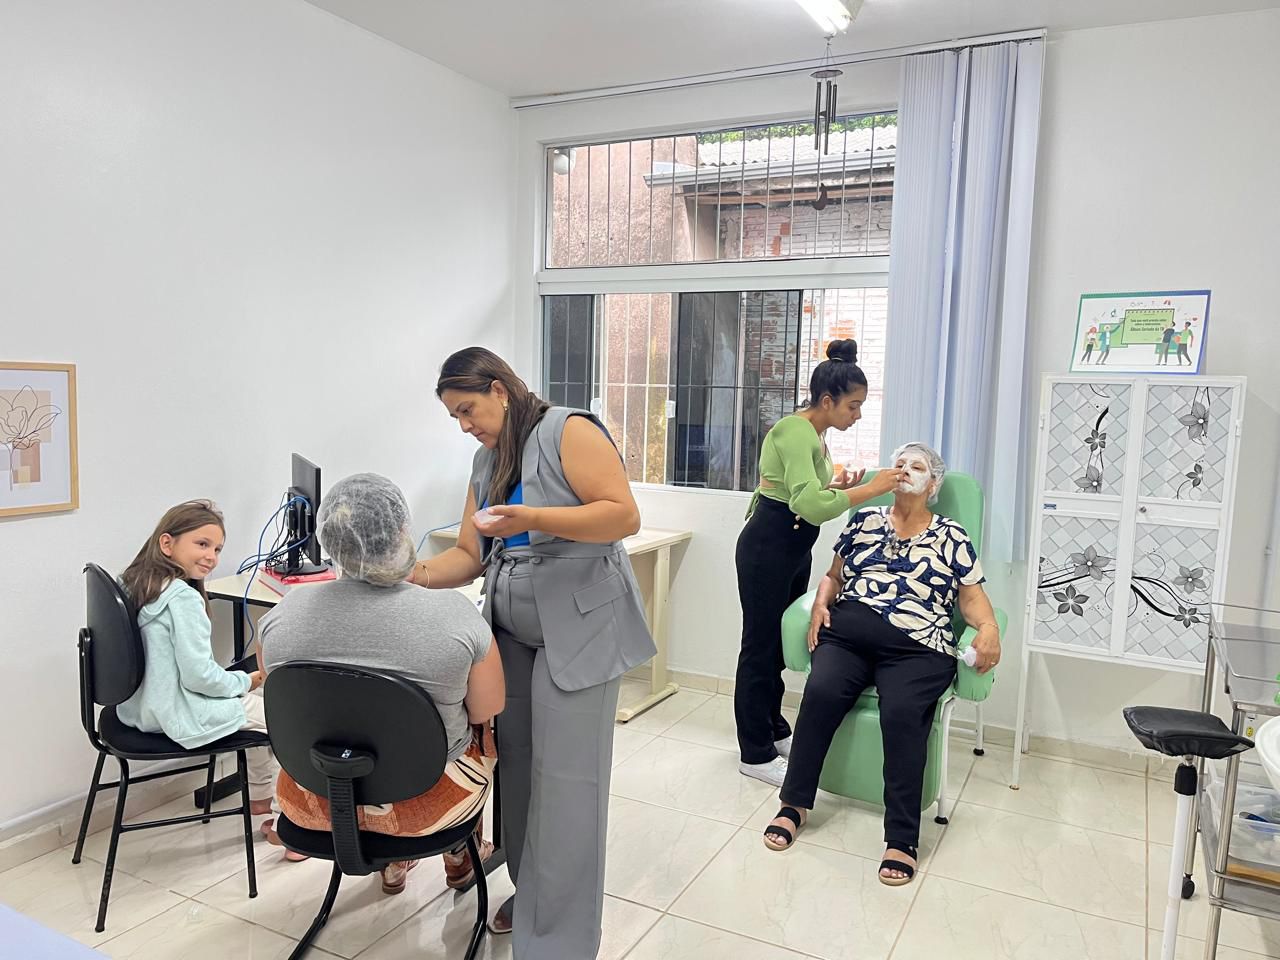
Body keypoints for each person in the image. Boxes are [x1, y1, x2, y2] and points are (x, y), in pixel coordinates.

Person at [412, 347, 651, 959]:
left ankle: (561, 938)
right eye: (455, 416)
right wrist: (407, 575)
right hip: (510, 631)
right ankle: (533, 892)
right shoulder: (485, 459)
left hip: (581, 627)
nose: (465, 425)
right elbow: (468, 555)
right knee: (516, 767)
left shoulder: (568, 430)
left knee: (568, 780)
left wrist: (533, 516)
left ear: (499, 389)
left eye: (468, 409)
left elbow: (622, 516)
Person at [761, 442, 1001, 888]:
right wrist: (820, 601)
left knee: (903, 714)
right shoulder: (864, 520)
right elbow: (834, 575)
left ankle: (902, 837)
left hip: (919, 647)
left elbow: (972, 599)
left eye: (917, 466)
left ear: (933, 485)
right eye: (899, 463)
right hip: (848, 637)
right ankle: (794, 803)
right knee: (821, 692)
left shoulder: (951, 535)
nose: (905, 469)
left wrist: (988, 628)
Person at [259, 473, 505, 894]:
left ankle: (393, 862)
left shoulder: (283, 614)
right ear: (401, 533)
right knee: (477, 730)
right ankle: (460, 856)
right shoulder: (455, 616)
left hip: (313, 797)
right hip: (429, 807)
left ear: (329, 538)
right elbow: (487, 709)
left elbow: (276, 692)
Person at [735, 338, 900, 787]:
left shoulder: (816, 434)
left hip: (792, 547)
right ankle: (754, 752)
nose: (857, 415)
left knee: (777, 645)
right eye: (853, 406)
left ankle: (773, 729)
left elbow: (807, 490)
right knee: (760, 647)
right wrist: (868, 490)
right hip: (769, 545)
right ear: (827, 401)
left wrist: (839, 486)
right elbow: (807, 504)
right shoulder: (794, 431)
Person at [117, 500, 277, 815]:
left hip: (140, 708)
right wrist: (244, 681)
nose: (211, 557)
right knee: (284, 717)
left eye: (217, 549)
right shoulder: (183, 599)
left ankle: (260, 798)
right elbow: (199, 677)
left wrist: (241, 683)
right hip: (177, 712)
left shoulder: (134, 582)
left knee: (257, 708)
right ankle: (285, 816)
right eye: (202, 544)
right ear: (167, 543)